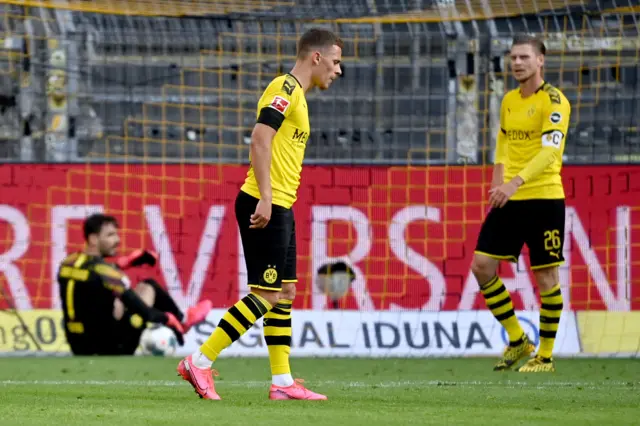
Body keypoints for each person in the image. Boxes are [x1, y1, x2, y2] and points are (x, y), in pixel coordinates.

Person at [177, 28, 343, 400]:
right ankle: (199, 361)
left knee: (284, 292)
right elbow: (259, 137)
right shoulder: (285, 89)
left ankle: (282, 382)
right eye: (335, 62)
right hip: (264, 201)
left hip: (281, 202)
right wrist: (266, 199)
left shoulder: (297, 95)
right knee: (265, 295)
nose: (338, 71)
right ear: (315, 57)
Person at [472, 34, 571, 372]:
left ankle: (544, 355)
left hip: (543, 197)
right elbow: (502, 143)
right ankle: (517, 340)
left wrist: (514, 183)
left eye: (524, 57)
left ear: (540, 60)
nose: (517, 63)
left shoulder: (554, 101)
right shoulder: (509, 100)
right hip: (510, 197)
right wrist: (497, 180)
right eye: (513, 58)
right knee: (481, 266)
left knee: (546, 278)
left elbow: (550, 153)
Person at [57, 213, 212, 356]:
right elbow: (145, 312)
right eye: (110, 235)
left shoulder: (67, 263)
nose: (117, 240)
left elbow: (93, 273)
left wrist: (125, 262)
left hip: (77, 345)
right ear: (93, 239)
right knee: (148, 286)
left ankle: (182, 318)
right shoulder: (108, 274)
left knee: (109, 300)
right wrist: (167, 318)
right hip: (110, 348)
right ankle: (183, 319)